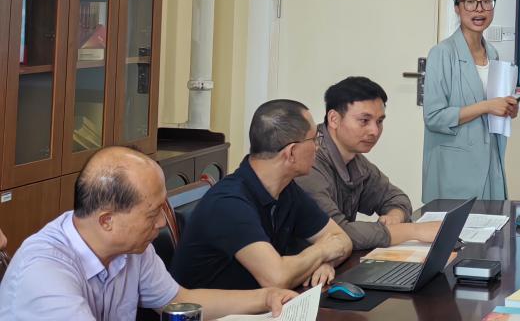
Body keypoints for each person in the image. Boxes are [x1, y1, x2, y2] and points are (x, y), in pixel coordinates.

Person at [0, 147, 296, 320]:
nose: (162, 223)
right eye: (152, 213)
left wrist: (265, 297)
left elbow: (179, 300)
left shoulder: (131, 250)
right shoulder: (44, 272)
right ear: (107, 221)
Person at [172, 99, 353, 291]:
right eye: (314, 139)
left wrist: (325, 263)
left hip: (260, 303)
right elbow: (277, 279)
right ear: (291, 152)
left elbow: (342, 239)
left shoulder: (286, 189)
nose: (318, 147)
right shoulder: (229, 203)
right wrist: (322, 251)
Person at [298, 76, 442, 250]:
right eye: (364, 121)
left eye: (379, 121)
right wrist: (413, 231)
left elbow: (395, 197)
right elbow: (335, 234)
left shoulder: (354, 158)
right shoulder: (307, 161)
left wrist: (394, 217)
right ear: (334, 119)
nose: (374, 131)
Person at [422, 0, 520, 201]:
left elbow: (494, 108)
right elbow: (434, 117)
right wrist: (487, 106)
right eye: (470, 1)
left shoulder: (493, 54)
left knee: (496, 223)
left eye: (486, 1)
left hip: (491, 160)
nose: (479, 9)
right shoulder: (442, 53)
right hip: (454, 169)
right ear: (457, 7)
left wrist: (508, 109)